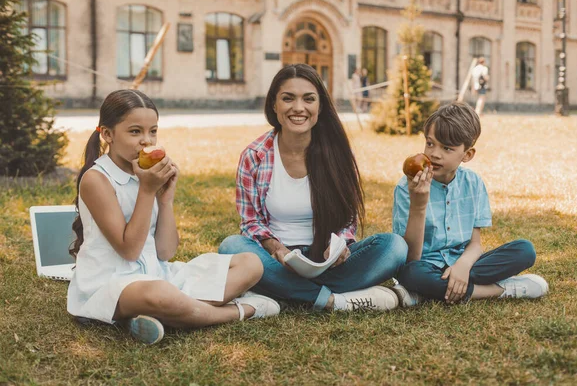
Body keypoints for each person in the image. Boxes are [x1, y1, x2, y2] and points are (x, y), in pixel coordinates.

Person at [67, 89, 280, 345]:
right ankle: (238, 311)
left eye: (153, 131)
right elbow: (129, 251)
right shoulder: (97, 179)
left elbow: (165, 252)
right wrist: (147, 191)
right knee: (160, 294)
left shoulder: (146, 174)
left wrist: (164, 200)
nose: (146, 141)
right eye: (135, 131)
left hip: (158, 274)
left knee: (251, 263)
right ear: (107, 134)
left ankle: (162, 314)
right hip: (113, 282)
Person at [219, 64, 408, 312]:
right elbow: (250, 222)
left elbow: (348, 216)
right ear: (274, 105)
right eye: (288, 98)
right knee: (231, 246)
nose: (299, 108)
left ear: (320, 106)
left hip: (326, 261)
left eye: (309, 99)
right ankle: (334, 301)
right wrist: (278, 250)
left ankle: (285, 291)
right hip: (276, 259)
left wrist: (339, 245)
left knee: (394, 247)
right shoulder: (255, 156)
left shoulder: (336, 152)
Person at [392, 102, 548, 306]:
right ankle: (499, 290)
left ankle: (427, 292)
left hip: (466, 265)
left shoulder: (473, 184)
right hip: (424, 266)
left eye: (447, 148)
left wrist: (462, 266)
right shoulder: (407, 187)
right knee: (411, 273)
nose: (435, 154)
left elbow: (475, 244)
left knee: (524, 250)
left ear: (467, 155)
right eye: (430, 143)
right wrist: (419, 205)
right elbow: (412, 258)